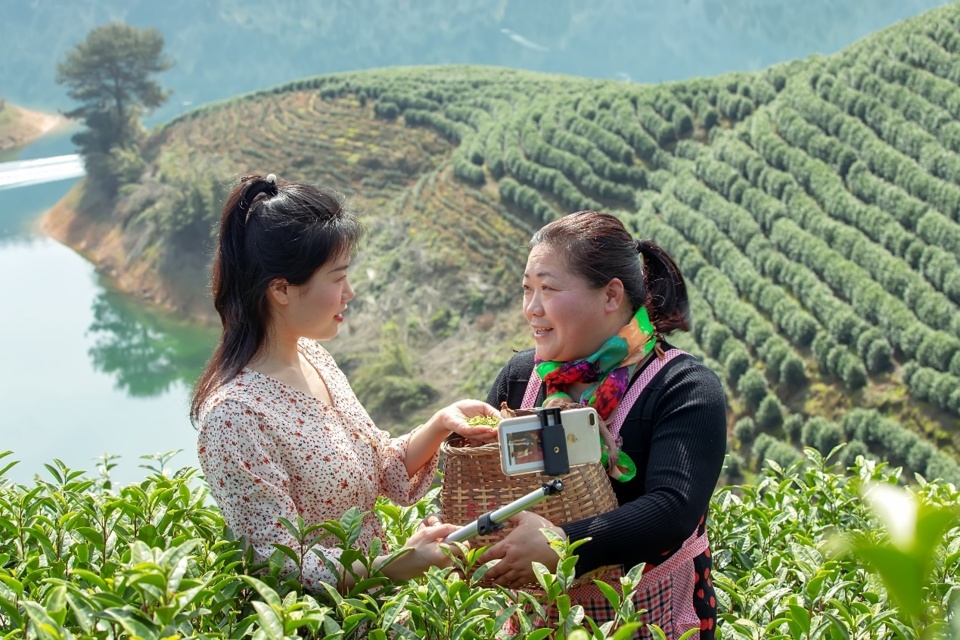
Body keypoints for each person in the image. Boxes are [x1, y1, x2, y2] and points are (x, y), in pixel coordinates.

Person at [191, 174, 499, 592]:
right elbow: (277, 562)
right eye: (337, 279)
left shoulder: (313, 357)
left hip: (377, 608)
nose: (349, 292)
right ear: (281, 289)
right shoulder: (235, 417)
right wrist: (397, 564)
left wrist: (441, 424)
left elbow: (375, 467)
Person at [480, 210, 727, 639]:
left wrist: (562, 543)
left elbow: (673, 509)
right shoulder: (521, 379)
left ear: (611, 295)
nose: (532, 308)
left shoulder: (683, 387)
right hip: (532, 621)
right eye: (527, 289)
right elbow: (483, 477)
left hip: (647, 617)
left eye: (548, 289)